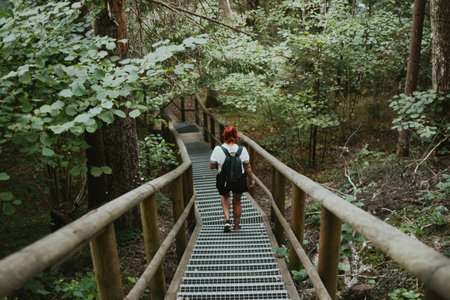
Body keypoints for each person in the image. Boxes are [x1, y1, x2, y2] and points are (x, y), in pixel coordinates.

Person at [210, 126, 255, 232]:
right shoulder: (242, 150)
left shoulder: (218, 149)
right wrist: (252, 179)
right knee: (237, 201)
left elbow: (212, 166)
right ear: (236, 136)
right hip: (239, 179)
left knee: (225, 196)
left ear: (224, 135)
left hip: (224, 179)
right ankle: (236, 225)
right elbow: (247, 167)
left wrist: (219, 165)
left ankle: (227, 220)